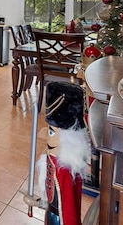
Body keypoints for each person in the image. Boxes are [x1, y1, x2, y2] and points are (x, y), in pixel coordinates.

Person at [37, 81, 91, 225]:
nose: (48, 137)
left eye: (51, 131)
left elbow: (68, 207)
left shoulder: (64, 168)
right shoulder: (57, 160)